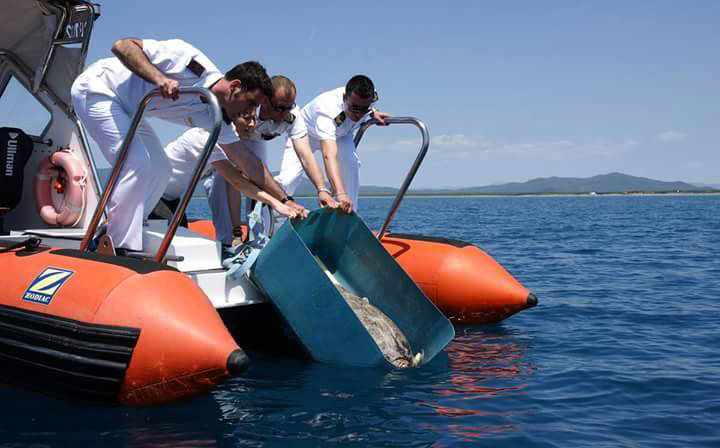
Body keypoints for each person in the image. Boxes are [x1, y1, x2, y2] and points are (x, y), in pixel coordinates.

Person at [70, 37, 291, 254]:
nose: (251, 113)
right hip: (99, 90)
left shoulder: (215, 115)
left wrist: (285, 200)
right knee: (137, 163)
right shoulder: (188, 60)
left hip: (133, 110)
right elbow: (122, 46)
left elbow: (248, 162)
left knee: (161, 169)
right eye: (251, 103)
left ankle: (120, 228)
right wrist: (159, 79)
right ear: (235, 87)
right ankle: (116, 245)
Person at [161, 115, 305, 247]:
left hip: (173, 201)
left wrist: (237, 233)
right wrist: (277, 204)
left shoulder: (226, 147)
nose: (253, 125)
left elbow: (234, 186)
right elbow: (238, 182)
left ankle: (228, 240)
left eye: (254, 120)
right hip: (155, 200)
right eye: (247, 119)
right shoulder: (204, 139)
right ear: (231, 120)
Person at [275, 75, 390, 214]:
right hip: (305, 134)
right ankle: (271, 215)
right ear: (344, 97)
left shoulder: (369, 95)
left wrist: (372, 113)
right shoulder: (326, 108)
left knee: (351, 164)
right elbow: (329, 155)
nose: (359, 114)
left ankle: (347, 215)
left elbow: (366, 106)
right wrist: (340, 193)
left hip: (341, 134)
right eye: (354, 108)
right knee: (288, 180)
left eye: (364, 109)